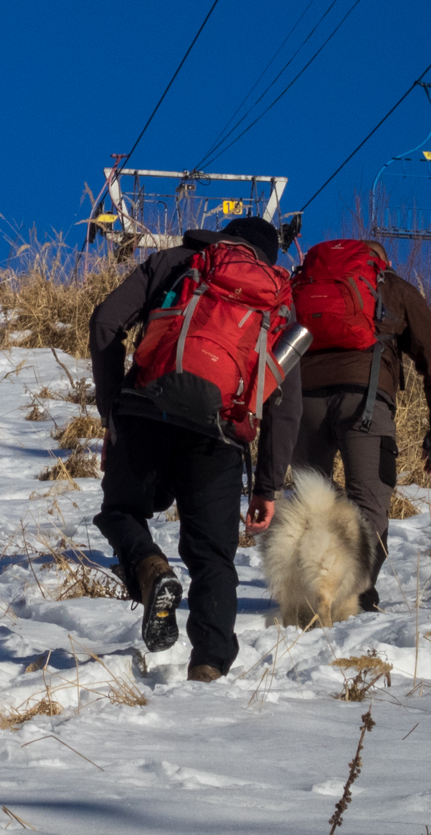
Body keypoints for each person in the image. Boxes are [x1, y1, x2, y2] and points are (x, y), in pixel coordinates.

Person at [87, 215, 301, 683]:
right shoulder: (277, 300)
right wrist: (267, 487)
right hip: (219, 435)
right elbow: (285, 405)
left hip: (145, 411)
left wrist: (112, 409)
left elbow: (106, 321)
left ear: (224, 237)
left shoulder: (176, 261)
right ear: (268, 257)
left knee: (121, 510)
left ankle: (149, 566)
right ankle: (208, 666)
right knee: (212, 558)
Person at [294, 238, 431, 613]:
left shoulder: (304, 284)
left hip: (301, 402)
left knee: (311, 499)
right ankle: (350, 594)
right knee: (369, 499)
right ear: (381, 262)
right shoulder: (391, 286)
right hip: (365, 403)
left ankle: (313, 589)